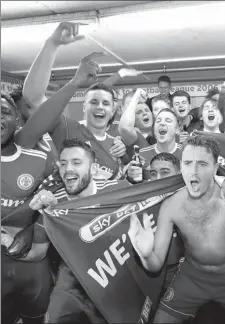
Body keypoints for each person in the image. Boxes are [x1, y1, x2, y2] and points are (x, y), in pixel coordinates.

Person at [128, 135, 225, 323]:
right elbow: (155, 265)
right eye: (188, 163)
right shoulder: (171, 206)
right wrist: (146, 253)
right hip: (191, 278)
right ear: (181, 166)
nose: (194, 172)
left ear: (215, 168)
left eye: (203, 164)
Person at [29, 138, 133, 323]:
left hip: (114, 279)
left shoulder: (118, 190)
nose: (68, 168)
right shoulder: (51, 203)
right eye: (63, 163)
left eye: (76, 162)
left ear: (93, 169)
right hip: (71, 282)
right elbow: (38, 252)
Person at [22, 22, 131, 181]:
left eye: (106, 103)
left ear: (113, 109)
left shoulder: (117, 145)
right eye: (93, 102)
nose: (99, 107)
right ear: (84, 106)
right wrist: (51, 45)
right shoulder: (66, 127)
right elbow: (33, 97)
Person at [1, 92, 53, 324]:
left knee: (36, 319)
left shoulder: (39, 160)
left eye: (4, 112)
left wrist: (38, 225)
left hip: (32, 268)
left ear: (17, 120)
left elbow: (63, 197)